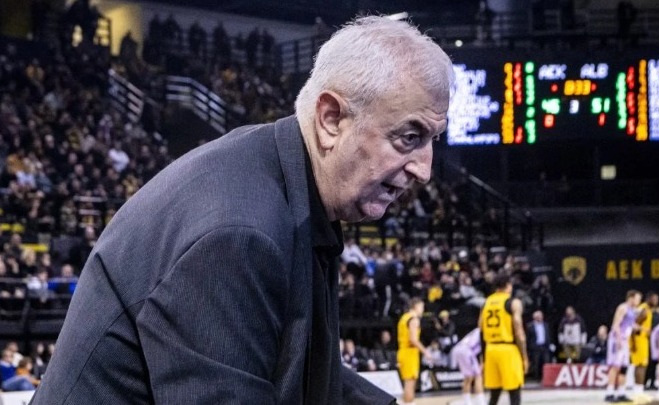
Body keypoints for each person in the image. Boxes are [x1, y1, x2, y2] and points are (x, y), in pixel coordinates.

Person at [31, 16, 454, 404]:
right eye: (409, 137)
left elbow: (302, 364)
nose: (424, 169)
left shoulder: (281, 184)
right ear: (331, 119)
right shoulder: (239, 231)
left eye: (432, 139)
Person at [479, 271, 528, 405]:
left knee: (494, 394)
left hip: (490, 349)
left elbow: (480, 328)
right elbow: (519, 331)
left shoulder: (486, 302)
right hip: (508, 349)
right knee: (514, 391)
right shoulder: (513, 302)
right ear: (508, 285)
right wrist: (524, 356)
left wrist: (482, 357)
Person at [605, 289, 642, 403]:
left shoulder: (633, 310)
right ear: (631, 298)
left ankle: (621, 392)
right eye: (637, 299)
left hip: (625, 340)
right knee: (615, 366)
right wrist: (619, 340)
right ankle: (609, 393)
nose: (639, 301)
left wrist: (640, 328)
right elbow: (616, 325)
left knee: (624, 367)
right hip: (617, 339)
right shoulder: (623, 308)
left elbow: (629, 324)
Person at [398, 297, 433, 405]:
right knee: (410, 383)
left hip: (403, 351)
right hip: (409, 353)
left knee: (408, 383)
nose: (423, 309)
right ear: (416, 306)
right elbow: (413, 339)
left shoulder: (404, 317)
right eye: (422, 306)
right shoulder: (414, 319)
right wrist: (425, 351)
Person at [631, 292, 658, 396]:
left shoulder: (646, 309)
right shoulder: (644, 309)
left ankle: (638, 390)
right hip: (639, 340)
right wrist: (633, 342)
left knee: (641, 366)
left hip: (643, 340)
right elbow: (634, 325)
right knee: (641, 366)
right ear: (649, 299)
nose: (656, 301)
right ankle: (639, 391)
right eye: (654, 299)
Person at [450, 327, 484, 405]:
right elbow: (482, 350)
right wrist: (482, 364)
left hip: (458, 349)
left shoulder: (476, 330)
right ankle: (481, 402)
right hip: (467, 351)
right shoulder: (485, 331)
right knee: (478, 376)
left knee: (468, 378)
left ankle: (467, 402)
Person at [526, 310, 552, 380]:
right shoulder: (530, 326)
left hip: (545, 346)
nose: (540, 318)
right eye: (538, 316)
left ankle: (546, 377)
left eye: (541, 316)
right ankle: (536, 378)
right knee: (536, 363)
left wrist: (550, 344)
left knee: (546, 362)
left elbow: (548, 335)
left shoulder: (546, 325)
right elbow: (528, 338)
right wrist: (530, 347)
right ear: (535, 317)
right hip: (535, 347)